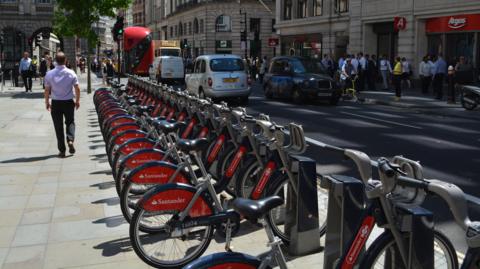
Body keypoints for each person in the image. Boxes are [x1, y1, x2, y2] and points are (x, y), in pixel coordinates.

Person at [43, 52, 80, 158]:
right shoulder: (71, 73)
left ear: (55, 60)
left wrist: (47, 102)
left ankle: (62, 151)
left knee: (58, 127)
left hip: (56, 103)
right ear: (65, 60)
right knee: (70, 122)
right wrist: (77, 101)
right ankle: (70, 140)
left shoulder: (49, 74)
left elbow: (47, 90)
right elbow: (77, 88)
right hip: (68, 102)